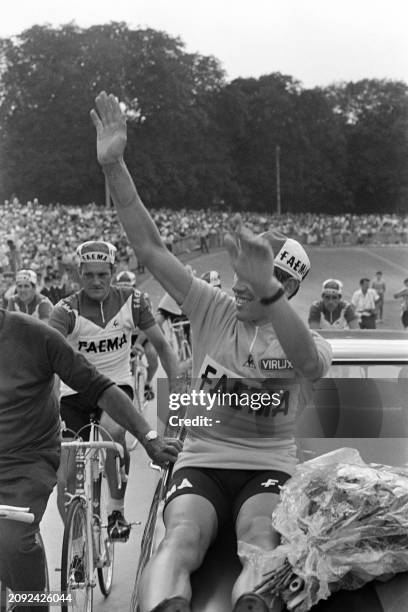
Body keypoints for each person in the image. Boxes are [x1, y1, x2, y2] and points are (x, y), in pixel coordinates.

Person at [91, 91, 332, 612]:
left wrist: (263, 288)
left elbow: (308, 364)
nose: (241, 285)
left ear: (286, 289)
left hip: (268, 465)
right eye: (242, 272)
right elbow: (151, 248)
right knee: (181, 540)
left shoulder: (301, 339)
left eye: (260, 277)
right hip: (201, 458)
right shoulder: (213, 307)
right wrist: (115, 167)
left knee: (259, 542)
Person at [0, 309, 180, 612]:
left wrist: (149, 438)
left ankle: (33, 605)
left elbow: (101, 388)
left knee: (12, 539)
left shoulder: (36, 335)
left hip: (25, 459)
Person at [49, 240, 180, 539]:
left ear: (113, 272)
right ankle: (78, 543)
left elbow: (161, 346)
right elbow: (49, 361)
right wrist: (48, 407)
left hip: (115, 387)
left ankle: (116, 511)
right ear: (79, 274)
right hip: (74, 393)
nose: (96, 281)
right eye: (89, 274)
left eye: (103, 274)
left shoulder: (132, 301)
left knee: (113, 433)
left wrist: (178, 395)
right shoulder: (65, 310)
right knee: (65, 475)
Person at [116, 269, 159, 401]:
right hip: (126, 335)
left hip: (142, 333)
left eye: (127, 287)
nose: (124, 290)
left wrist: (138, 343)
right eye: (121, 287)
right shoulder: (113, 300)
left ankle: (147, 383)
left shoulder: (142, 298)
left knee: (152, 356)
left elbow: (147, 326)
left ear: (134, 286)